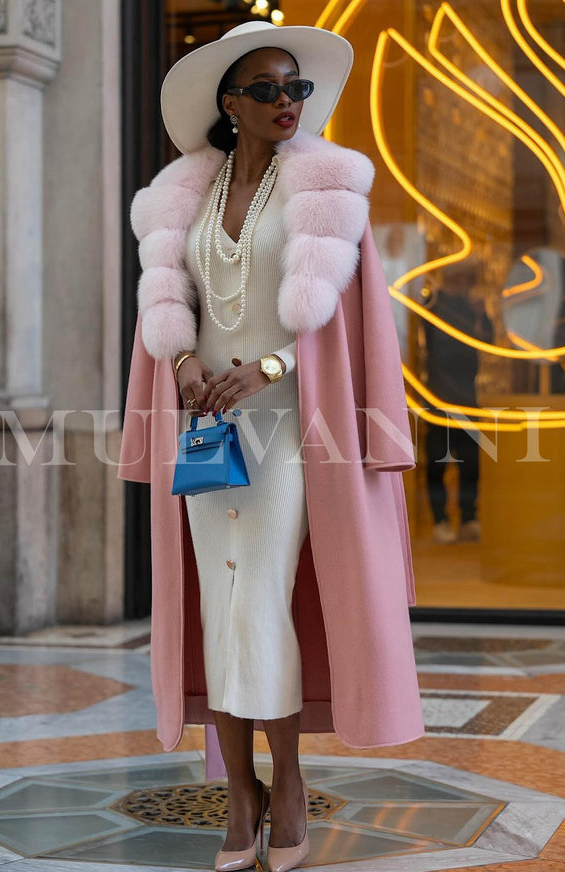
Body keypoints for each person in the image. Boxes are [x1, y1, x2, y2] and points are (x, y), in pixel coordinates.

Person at [119, 21, 423, 872]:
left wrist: (270, 368)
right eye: (267, 90)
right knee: (218, 605)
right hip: (206, 434)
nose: (288, 102)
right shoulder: (180, 199)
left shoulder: (327, 193)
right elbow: (168, 308)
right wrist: (180, 363)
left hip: (295, 430)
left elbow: (353, 328)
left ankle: (283, 785)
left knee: (261, 600)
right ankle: (239, 792)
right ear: (230, 105)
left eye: (297, 88)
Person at [422, 262, 494, 543]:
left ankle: (467, 517)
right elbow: (428, 340)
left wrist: (481, 313)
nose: (465, 282)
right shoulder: (434, 304)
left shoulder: (470, 306)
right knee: (439, 463)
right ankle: (441, 519)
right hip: (440, 396)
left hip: (466, 397)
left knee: (469, 464)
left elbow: (487, 340)